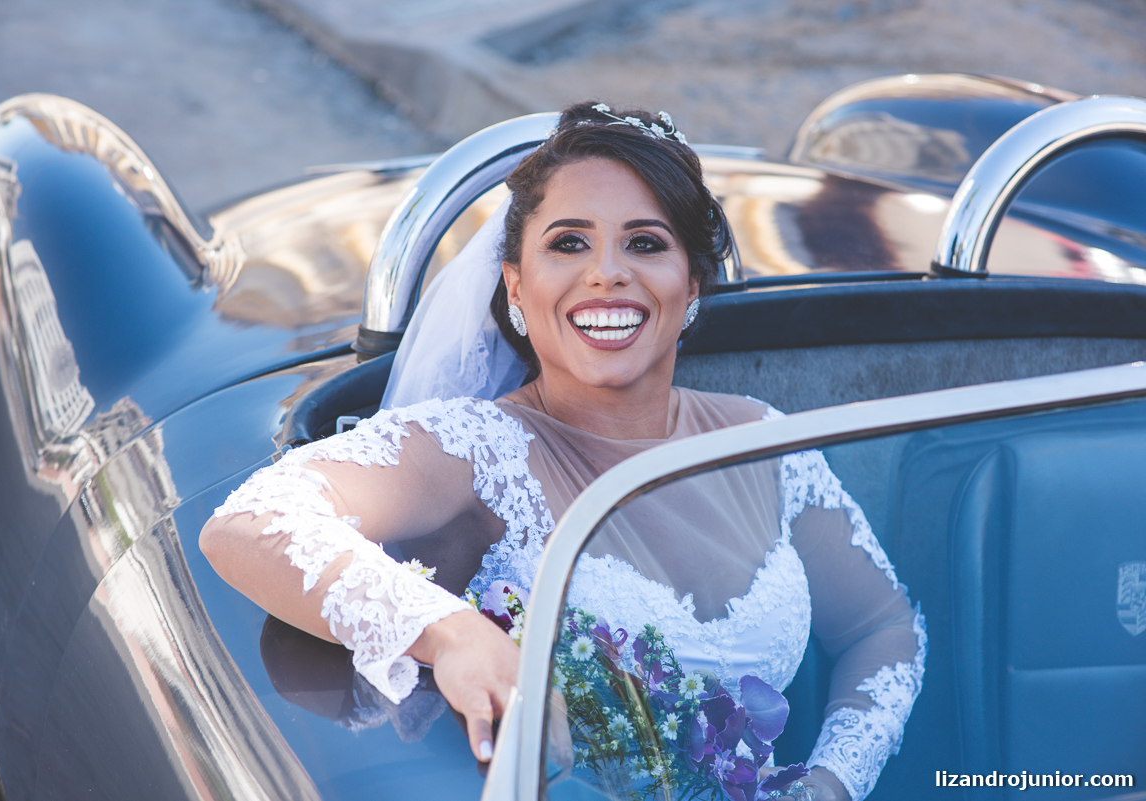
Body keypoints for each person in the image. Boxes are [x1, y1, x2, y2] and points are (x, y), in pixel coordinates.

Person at [200, 102, 925, 801]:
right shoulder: (476, 446)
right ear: (516, 283)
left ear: (693, 283)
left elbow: (883, 628)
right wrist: (452, 636)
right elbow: (253, 518)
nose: (607, 272)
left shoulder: (764, 439)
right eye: (568, 242)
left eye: (646, 242)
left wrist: (827, 781)